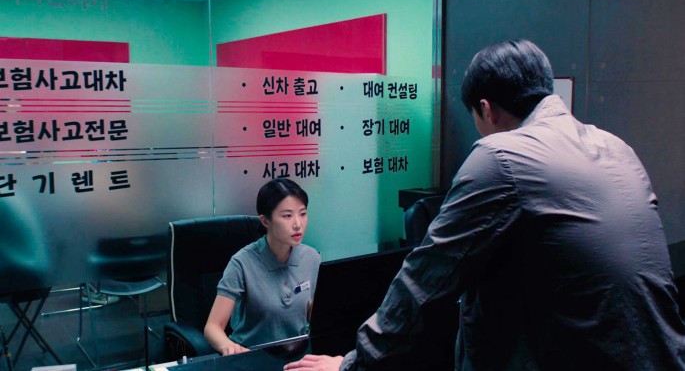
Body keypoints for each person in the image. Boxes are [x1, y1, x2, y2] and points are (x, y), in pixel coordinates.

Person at [285, 40, 685, 370]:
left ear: (487, 109)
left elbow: (424, 279)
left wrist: (351, 364)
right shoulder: (616, 147)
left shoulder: (501, 156)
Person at [205, 178, 320, 355]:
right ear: (265, 221)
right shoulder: (241, 263)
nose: (298, 224)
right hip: (251, 356)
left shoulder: (311, 258)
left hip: (299, 357)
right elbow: (213, 327)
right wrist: (228, 347)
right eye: (287, 216)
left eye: (302, 214)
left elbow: (316, 317)